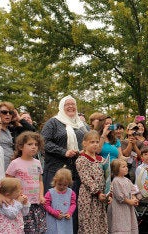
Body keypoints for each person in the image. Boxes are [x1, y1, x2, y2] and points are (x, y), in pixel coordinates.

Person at [41, 95, 88, 233]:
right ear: (61, 106)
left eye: (73, 104)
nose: (71, 106)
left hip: (76, 172)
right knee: (55, 205)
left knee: (72, 205)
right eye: (67, 104)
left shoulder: (82, 125)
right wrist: (64, 152)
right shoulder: (53, 122)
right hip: (57, 170)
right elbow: (44, 142)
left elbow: (90, 140)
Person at [6, 132, 47, 233]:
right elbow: (8, 182)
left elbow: (40, 180)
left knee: (38, 229)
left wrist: (41, 195)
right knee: (25, 230)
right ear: (21, 147)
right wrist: (16, 197)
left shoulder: (37, 163)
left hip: (36, 204)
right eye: (30, 144)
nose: (34, 147)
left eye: (36, 144)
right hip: (22, 204)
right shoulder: (15, 163)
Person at [75, 130, 108, 234]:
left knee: (100, 222)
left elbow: (107, 177)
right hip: (88, 197)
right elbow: (86, 179)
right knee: (88, 223)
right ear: (85, 143)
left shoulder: (102, 159)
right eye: (92, 142)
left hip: (101, 197)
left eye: (97, 142)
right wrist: (98, 192)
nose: (95, 144)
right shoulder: (81, 160)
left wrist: (108, 193)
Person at [0, 101, 36, 169]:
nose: (8, 114)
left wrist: (19, 118)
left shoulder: (13, 129)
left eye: (11, 112)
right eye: (4, 112)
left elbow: (31, 130)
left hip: (13, 166)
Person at [110, 159, 139, 234]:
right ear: (116, 169)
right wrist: (129, 201)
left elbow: (133, 190)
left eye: (126, 166)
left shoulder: (126, 180)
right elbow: (119, 196)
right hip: (120, 207)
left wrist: (134, 198)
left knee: (128, 222)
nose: (126, 168)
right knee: (121, 223)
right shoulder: (116, 181)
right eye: (123, 167)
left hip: (128, 207)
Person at [44, 168, 77, 234]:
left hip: (66, 221)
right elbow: (46, 205)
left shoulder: (71, 193)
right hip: (53, 220)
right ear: (55, 181)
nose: (62, 187)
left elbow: (73, 204)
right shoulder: (50, 193)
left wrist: (69, 213)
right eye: (59, 184)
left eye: (65, 185)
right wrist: (54, 213)